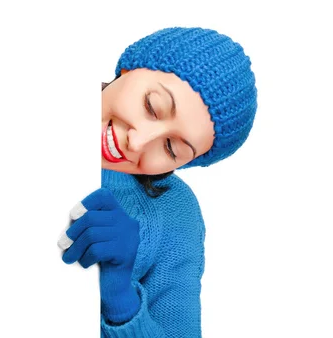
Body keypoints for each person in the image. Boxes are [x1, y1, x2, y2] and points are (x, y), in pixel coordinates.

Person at [58, 27, 258, 337]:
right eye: (152, 106)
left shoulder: (173, 210)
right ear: (129, 68)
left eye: (170, 149)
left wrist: (121, 300)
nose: (137, 143)